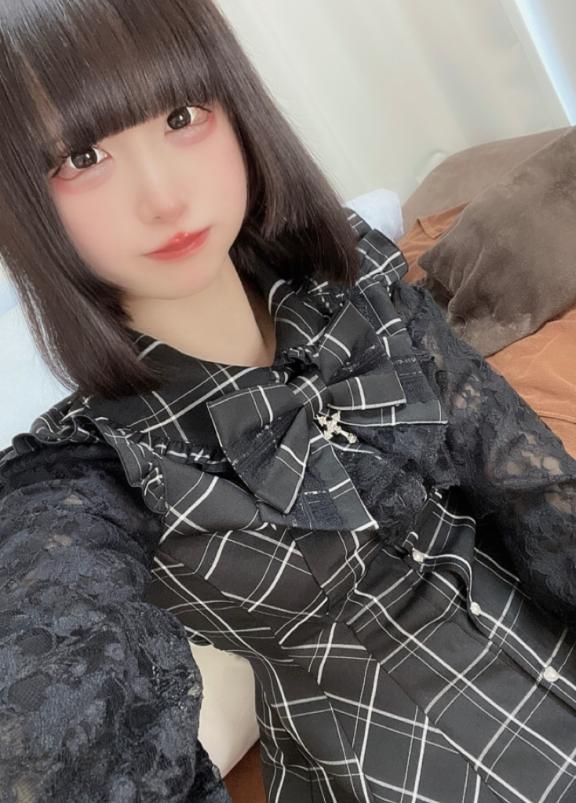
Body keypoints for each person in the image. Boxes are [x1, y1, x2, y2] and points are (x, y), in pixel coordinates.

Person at [0, 1, 575, 801]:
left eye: (181, 116)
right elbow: (51, 723)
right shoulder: (80, 477)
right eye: (83, 156)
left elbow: (530, 491)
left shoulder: (355, 288)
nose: (164, 198)